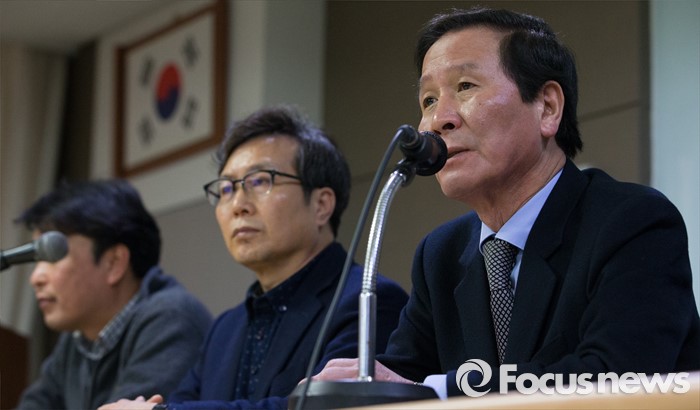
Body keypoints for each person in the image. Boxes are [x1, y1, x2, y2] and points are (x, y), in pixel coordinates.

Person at [312, 6, 700, 399]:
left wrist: (438, 390)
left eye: (465, 86)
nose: (437, 121)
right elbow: (401, 378)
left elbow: (613, 378)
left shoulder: (632, 222)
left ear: (547, 107)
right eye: (428, 100)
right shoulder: (440, 255)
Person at [100, 105, 408, 410]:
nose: (237, 205)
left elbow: (325, 408)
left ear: (321, 205)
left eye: (260, 181)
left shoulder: (369, 302)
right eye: (226, 189)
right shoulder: (223, 329)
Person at [15, 179, 213, 410]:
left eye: (52, 256)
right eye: (37, 260)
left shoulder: (173, 318)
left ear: (114, 263)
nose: (36, 278)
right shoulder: (79, 337)